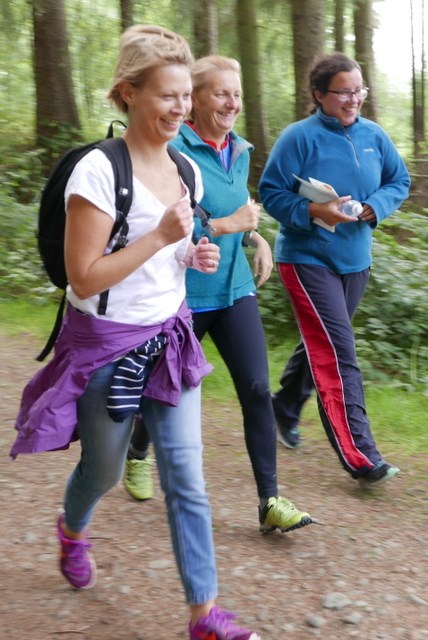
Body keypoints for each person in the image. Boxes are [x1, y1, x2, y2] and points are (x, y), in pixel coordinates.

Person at [11, 25, 263, 640]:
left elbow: (175, 249)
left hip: (170, 340)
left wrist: (192, 255)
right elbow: (84, 275)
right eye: (167, 95)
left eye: (185, 95)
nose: (182, 107)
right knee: (102, 468)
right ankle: (72, 529)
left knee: (186, 475)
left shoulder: (186, 168)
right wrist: (162, 240)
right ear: (128, 93)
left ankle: (205, 614)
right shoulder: (98, 172)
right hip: (106, 347)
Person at [123, 55, 313, 534]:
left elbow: (234, 210)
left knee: (255, 387)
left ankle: (269, 499)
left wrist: (255, 238)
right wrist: (233, 225)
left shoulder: (240, 149)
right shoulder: (172, 148)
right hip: (183, 295)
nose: (233, 103)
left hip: (234, 290)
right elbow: (168, 220)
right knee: (165, 388)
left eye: (238, 95)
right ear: (195, 99)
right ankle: (137, 450)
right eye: (221, 93)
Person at [259, 52, 410, 485]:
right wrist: (313, 209)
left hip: (356, 260)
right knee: (339, 352)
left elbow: (398, 181)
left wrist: (372, 208)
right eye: (342, 92)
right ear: (319, 94)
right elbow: (270, 194)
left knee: (320, 342)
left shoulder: (375, 136)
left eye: (358, 90)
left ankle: (283, 407)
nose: (352, 99)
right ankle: (360, 454)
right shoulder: (298, 138)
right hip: (306, 258)